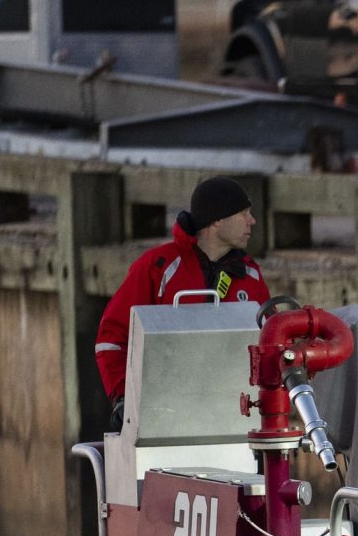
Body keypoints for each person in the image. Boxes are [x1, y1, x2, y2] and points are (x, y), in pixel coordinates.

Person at [94, 176, 269, 413]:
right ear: (217, 220)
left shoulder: (251, 275)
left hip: (234, 416)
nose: (252, 221)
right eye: (243, 213)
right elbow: (112, 338)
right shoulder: (158, 266)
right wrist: (123, 397)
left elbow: (272, 342)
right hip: (165, 413)